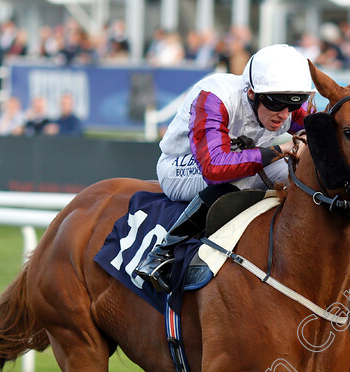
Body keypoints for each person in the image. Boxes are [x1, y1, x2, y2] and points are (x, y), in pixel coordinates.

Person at [135, 44, 315, 293]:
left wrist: (306, 141)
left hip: (237, 164)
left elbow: (319, 133)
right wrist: (280, 150)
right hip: (181, 167)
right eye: (276, 105)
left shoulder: (284, 107)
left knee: (301, 170)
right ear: (252, 93)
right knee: (238, 179)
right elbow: (214, 167)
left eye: (293, 105)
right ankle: (162, 252)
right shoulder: (214, 98)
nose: (284, 115)